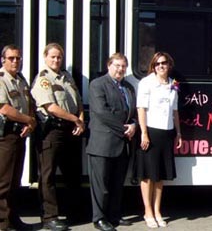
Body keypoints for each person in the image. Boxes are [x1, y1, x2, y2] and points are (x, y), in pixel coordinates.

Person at [30, 43, 85, 230]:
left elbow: (78, 101)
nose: (56, 60)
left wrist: (81, 119)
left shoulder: (66, 77)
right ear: (45, 57)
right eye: (52, 57)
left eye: (59, 57)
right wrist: (75, 119)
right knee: (48, 176)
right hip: (52, 132)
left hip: (71, 130)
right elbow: (50, 107)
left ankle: (73, 213)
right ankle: (49, 217)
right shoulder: (43, 79)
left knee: (73, 174)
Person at [87, 53, 137, 231]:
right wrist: (125, 129)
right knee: (101, 185)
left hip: (122, 144)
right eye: (117, 65)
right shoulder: (97, 84)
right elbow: (102, 112)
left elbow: (133, 113)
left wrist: (134, 125)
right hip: (103, 143)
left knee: (117, 184)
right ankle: (99, 218)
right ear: (109, 65)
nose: (120, 69)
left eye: (123, 66)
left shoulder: (129, 87)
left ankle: (114, 215)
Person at [136, 52, 182, 228]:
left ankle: (157, 211)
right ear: (153, 66)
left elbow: (175, 111)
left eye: (164, 63)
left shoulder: (173, 84)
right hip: (151, 132)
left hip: (167, 132)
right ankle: (147, 212)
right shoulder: (146, 83)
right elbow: (141, 109)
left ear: (169, 65)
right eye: (157, 64)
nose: (160, 66)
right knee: (148, 175)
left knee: (160, 175)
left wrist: (178, 133)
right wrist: (144, 133)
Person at [0, 44, 36, 231]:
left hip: (20, 135)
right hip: (5, 137)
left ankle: (13, 219)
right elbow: (4, 109)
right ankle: (2, 224)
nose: (15, 61)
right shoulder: (1, 79)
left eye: (18, 58)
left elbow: (29, 103)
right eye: (11, 58)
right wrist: (28, 119)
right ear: (3, 60)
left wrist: (30, 123)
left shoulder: (21, 79)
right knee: (3, 182)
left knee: (15, 181)